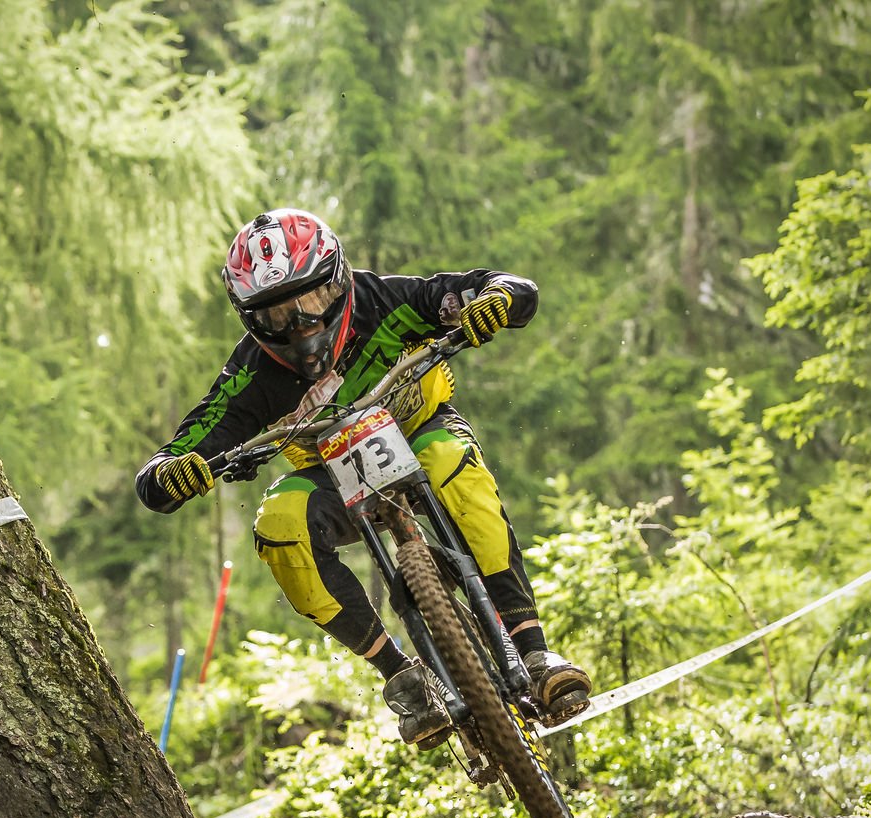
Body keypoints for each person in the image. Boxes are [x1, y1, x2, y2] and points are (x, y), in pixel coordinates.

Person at [135, 208, 590, 748]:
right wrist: (173, 475)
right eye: (275, 316)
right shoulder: (251, 377)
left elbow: (508, 288)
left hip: (421, 429)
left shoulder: (387, 299)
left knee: (453, 463)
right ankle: (400, 676)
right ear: (249, 319)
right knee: (279, 525)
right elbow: (169, 463)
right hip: (331, 480)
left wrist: (498, 302)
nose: (299, 325)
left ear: (337, 280)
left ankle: (533, 649)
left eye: (309, 302)